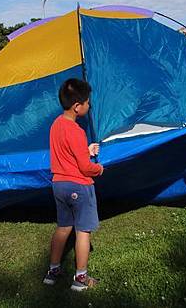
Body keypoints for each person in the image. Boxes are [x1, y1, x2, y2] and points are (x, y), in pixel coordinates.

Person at [43, 78, 104, 291]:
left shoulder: (56, 125)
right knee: (83, 231)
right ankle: (80, 278)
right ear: (77, 106)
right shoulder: (77, 131)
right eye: (88, 102)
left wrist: (85, 150)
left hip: (59, 185)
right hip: (79, 186)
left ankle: (53, 271)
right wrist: (99, 169)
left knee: (63, 228)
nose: (90, 106)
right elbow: (86, 168)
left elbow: (65, 154)